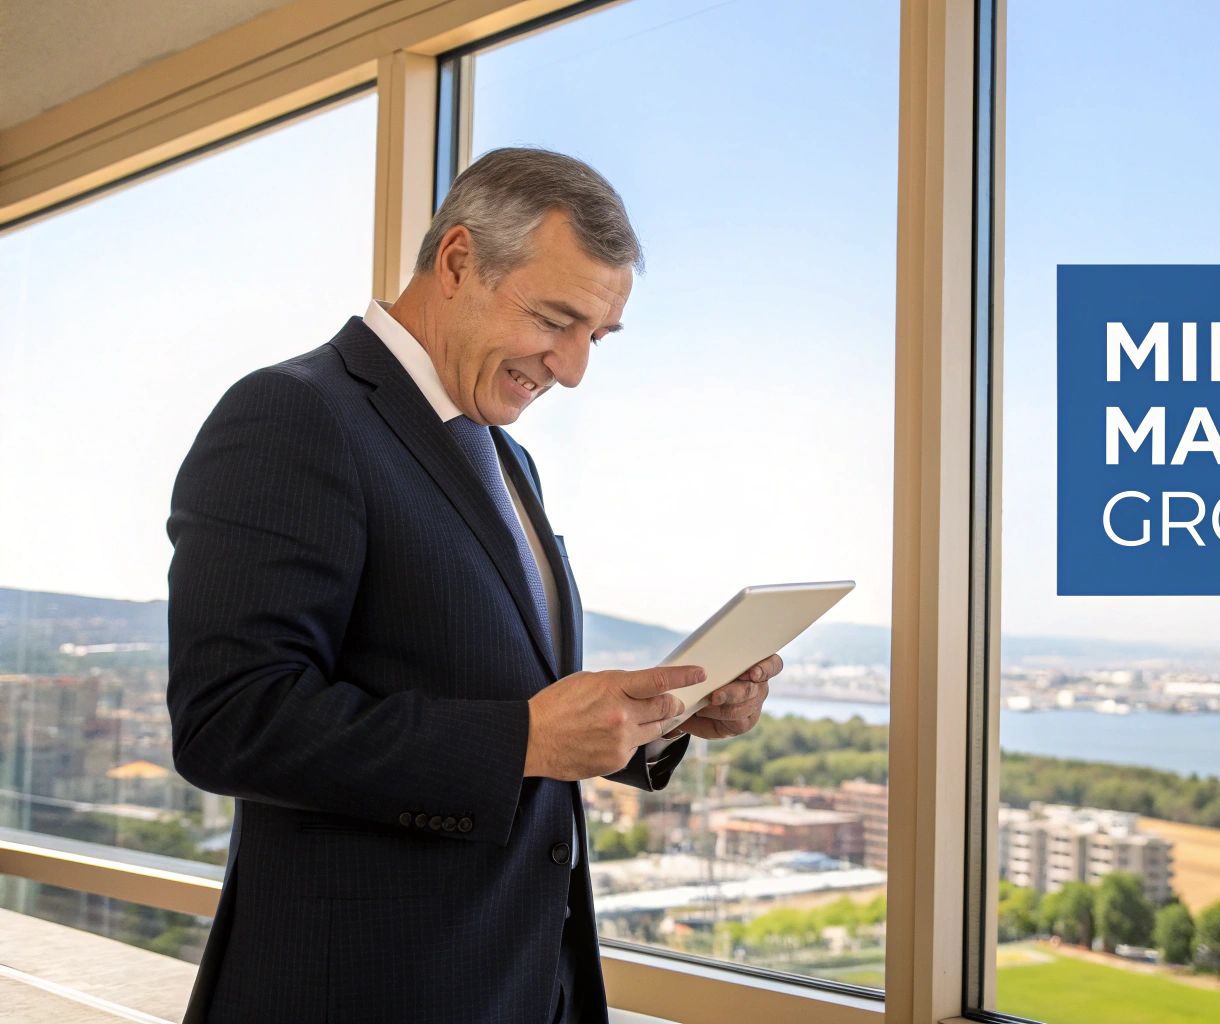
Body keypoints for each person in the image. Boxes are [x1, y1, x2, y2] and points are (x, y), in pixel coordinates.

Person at [166, 147, 777, 1023]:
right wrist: (522, 740)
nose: (573, 369)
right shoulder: (294, 414)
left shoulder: (503, 454)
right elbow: (230, 722)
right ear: (457, 261)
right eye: (556, 320)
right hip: (367, 994)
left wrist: (660, 717)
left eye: (597, 338)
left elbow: (498, 689)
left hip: (524, 984)